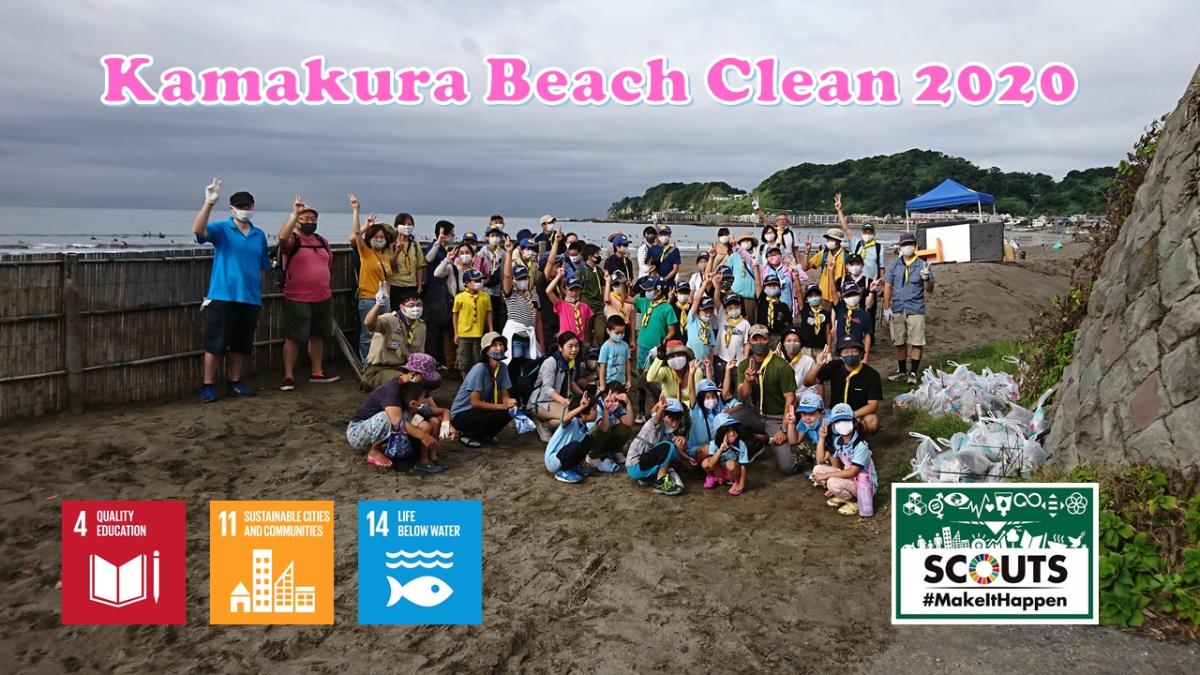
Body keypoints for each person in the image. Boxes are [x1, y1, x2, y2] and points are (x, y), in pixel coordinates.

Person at [191, 179, 271, 403]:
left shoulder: (259, 235)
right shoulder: (222, 229)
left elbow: (264, 263)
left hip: (250, 297)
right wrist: (208, 204)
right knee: (215, 343)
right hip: (223, 295)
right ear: (232, 208)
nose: (245, 209)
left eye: (248, 205)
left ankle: (235, 381)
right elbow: (198, 231)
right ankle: (208, 385)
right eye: (241, 205)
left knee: (241, 344)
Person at [276, 193, 338, 391]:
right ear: (297, 222)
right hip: (298, 297)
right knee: (294, 337)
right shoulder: (293, 241)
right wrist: (294, 213)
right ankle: (288, 376)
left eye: (313, 219)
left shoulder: (322, 241)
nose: (310, 222)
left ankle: (317, 372)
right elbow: (282, 238)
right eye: (305, 218)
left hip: (322, 296)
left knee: (318, 335)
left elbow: (328, 263)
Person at [730, 324, 799, 475]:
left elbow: (791, 400)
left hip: (777, 418)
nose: (759, 343)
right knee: (729, 420)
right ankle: (755, 444)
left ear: (769, 341)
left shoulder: (782, 366)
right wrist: (748, 380)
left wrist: (784, 429)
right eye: (755, 339)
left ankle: (794, 447)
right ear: (749, 342)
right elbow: (743, 396)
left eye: (763, 339)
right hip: (756, 415)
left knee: (788, 468)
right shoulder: (744, 365)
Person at [347, 379, 443, 473]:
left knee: (422, 423)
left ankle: (427, 458)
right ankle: (374, 452)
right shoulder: (392, 393)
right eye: (424, 397)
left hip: (376, 432)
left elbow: (438, 411)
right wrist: (423, 436)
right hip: (357, 433)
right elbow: (397, 421)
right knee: (387, 417)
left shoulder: (409, 400)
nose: (426, 400)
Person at [882, 230, 936, 384]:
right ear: (900, 246)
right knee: (899, 341)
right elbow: (888, 286)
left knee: (917, 341)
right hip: (898, 307)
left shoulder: (923, 264)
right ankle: (901, 370)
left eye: (910, 244)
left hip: (916, 308)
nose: (907, 247)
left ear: (915, 245)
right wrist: (887, 308)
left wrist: (926, 278)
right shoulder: (894, 265)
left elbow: (930, 289)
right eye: (904, 244)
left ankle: (913, 372)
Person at [449, 332, 517, 447]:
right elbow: (474, 402)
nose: (499, 348)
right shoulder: (479, 368)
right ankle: (468, 435)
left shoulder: (503, 367)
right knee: (498, 412)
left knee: (510, 411)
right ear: (486, 350)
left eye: (501, 344)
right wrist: (502, 406)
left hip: (478, 409)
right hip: (462, 414)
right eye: (494, 345)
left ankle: (486, 434)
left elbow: (505, 395)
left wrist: (510, 403)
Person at [349, 195, 395, 362]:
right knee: (367, 334)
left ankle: (380, 361)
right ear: (369, 239)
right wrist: (357, 211)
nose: (379, 239)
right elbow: (355, 234)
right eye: (376, 237)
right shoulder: (366, 253)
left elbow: (387, 279)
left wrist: (387, 296)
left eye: (382, 237)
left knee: (385, 332)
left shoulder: (384, 257)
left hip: (384, 301)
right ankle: (366, 365)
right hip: (368, 299)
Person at [805, 337, 882, 435]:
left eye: (854, 351)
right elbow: (807, 382)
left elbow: (872, 405)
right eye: (845, 352)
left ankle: (859, 440)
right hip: (834, 413)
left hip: (857, 414)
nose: (850, 354)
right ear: (840, 355)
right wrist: (818, 365)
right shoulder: (834, 366)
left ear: (861, 353)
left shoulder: (872, 374)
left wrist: (851, 415)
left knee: (872, 421)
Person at [812, 403, 877, 517]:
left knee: (832, 481)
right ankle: (844, 493)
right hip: (851, 479)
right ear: (833, 425)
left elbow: (853, 472)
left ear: (853, 421)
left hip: (865, 485)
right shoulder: (838, 441)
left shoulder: (861, 445)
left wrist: (825, 477)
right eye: (838, 421)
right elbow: (820, 458)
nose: (841, 424)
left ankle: (856, 502)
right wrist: (822, 438)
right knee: (817, 469)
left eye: (845, 420)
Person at [633, 275, 678, 420]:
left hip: (656, 351)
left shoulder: (667, 308)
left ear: (658, 291)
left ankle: (658, 409)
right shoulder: (645, 302)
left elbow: (672, 330)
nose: (647, 292)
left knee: (654, 380)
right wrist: (622, 284)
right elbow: (626, 298)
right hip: (643, 347)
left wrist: (663, 342)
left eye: (649, 289)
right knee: (641, 379)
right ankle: (640, 411)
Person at [361, 291, 427, 389]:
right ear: (402, 307)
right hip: (379, 370)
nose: (416, 308)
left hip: (404, 368)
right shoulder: (389, 320)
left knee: (433, 379)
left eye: (419, 305)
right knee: (407, 382)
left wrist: (419, 373)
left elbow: (419, 355)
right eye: (411, 305)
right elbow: (369, 324)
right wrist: (379, 304)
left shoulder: (421, 326)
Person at [625, 395, 688, 496]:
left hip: (642, 466)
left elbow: (678, 448)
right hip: (635, 466)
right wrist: (662, 408)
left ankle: (647, 478)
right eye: (671, 420)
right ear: (663, 416)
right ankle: (661, 482)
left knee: (671, 451)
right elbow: (657, 419)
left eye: (677, 421)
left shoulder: (667, 433)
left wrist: (687, 456)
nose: (674, 424)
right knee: (668, 446)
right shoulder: (653, 424)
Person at [530, 331, 583, 439]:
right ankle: (544, 425)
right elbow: (547, 389)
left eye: (576, 346)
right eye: (570, 346)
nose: (574, 350)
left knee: (578, 413)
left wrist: (584, 395)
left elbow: (571, 383)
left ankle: (548, 423)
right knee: (571, 416)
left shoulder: (571, 363)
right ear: (560, 347)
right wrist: (563, 401)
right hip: (541, 402)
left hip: (557, 401)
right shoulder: (551, 362)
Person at [543, 391, 602, 484]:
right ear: (583, 414)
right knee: (575, 445)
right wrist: (582, 407)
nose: (597, 412)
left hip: (564, 457)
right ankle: (563, 471)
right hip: (553, 461)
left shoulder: (584, 428)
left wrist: (582, 460)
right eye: (594, 409)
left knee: (589, 439)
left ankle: (574, 466)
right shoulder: (572, 422)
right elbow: (566, 419)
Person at [500, 240, 542, 364]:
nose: (522, 281)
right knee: (513, 365)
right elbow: (507, 276)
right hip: (516, 336)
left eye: (524, 278)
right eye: (519, 278)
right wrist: (509, 253)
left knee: (530, 366)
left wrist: (541, 342)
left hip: (530, 336)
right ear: (514, 281)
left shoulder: (534, 296)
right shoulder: (510, 294)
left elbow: (538, 320)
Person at [422, 219, 457, 368]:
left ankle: (443, 360)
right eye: (451, 234)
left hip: (445, 294)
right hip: (433, 293)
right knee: (433, 329)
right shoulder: (434, 248)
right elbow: (427, 258)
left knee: (444, 327)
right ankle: (431, 359)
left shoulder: (445, 250)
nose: (452, 237)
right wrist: (438, 241)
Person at [452, 268, 493, 379]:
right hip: (464, 334)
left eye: (480, 280)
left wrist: (490, 329)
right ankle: (466, 382)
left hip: (478, 334)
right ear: (467, 283)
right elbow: (455, 315)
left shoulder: (485, 296)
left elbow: (488, 312)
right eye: (475, 281)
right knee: (463, 361)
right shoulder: (459, 297)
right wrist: (456, 333)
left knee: (477, 361)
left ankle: (476, 381)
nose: (478, 283)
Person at [588, 381, 635, 468]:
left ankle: (614, 450)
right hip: (591, 439)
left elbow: (628, 423)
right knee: (605, 429)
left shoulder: (617, 405)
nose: (616, 402)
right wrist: (606, 409)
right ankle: (593, 455)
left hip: (605, 437)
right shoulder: (597, 405)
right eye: (615, 399)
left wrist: (628, 403)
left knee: (625, 429)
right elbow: (603, 429)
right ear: (605, 395)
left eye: (618, 400)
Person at [800, 227, 849, 307]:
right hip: (824, 294)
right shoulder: (824, 254)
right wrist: (806, 252)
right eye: (828, 239)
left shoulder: (846, 256)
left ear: (839, 241)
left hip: (839, 295)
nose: (829, 241)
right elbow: (805, 268)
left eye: (832, 239)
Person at [703, 414, 750, 495]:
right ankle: (714, 477)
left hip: (731, 473)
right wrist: (720, 450)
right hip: (719, 471)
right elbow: (710, 464)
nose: (732, 433)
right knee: (705, 463)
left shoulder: (740, 444)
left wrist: (741, 483)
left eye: (733, 430)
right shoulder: (714, 443)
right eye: (727, 431)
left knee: (730, 464)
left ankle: (736, 482)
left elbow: (743, 466)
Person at [830, 281, 873, 363]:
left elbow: (867, 336)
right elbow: (833, 291)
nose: (852, 297)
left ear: (859, 295)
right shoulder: (840, 309)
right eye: (848, 295)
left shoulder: (864, 314)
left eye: (854, 294)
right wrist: (831, 272)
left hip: (856, 349)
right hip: (841, 349)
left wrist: (866, 356)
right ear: (842, 297)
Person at [547, 270, 594, 344]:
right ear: (565, 290)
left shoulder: (585, 307)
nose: (574, 293)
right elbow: (548, 291)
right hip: (565, 341)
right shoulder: (561, 305)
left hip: (579, 341)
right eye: (571, 290)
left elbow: (586, 326)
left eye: (577, 290)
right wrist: (559, 276)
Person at [644, 340, 696, 407]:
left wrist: (682, 407)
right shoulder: (666, 371)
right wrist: (659, 358)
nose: (676, 359)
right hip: (669, 411)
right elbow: (650, 378)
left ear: (686, 356)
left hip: (691, 411)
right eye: (672, 356)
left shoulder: (695, 371)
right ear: (667, 360)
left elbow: (697, 397)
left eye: (679, 355)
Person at [476, 224, 508, 331]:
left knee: (497, 319)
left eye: (497, 235)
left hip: (499, 292)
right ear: (487, 237)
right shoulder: (481, 253)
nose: (495, 238)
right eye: (492, 235)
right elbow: (477, 271)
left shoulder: (504, 254)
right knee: (485, 318)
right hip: (485, 290)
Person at [388, 213, 425, 304]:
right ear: (396, 226)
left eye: (409, 224)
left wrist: (419, 287)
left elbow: (419, 267)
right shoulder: (391, 245)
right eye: (403, 224)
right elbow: (388, 266)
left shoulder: (416, 245)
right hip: (395, 285)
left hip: (412, 286)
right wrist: (397, 252)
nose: (407, 227)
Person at [687, 378, 726, 463]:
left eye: (713, 396)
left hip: (715, 449)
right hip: (698, 450)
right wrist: (691, 374)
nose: (711, 400)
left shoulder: (718, 407)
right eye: (707, 397)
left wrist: (708, 367)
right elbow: (691, 391)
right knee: (709, 449)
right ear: (701, 398)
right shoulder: (696, 409)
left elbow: (719, 387)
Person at [785, 390, 826, 466]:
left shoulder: (829, 423)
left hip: (829, 452)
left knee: (824, 462)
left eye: (812, 414)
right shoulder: (804, 421)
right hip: (817, 447)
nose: (807, 418)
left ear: (822, 413)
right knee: (796, 447)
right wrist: (791, 424)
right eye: (804, 413)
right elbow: (793, 441)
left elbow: (834, 451)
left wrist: (820, 462)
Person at [578, 244, 606, 345]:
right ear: (590, 257)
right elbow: (576, 290)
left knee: (601, 334)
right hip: (586, 308)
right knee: (586, 337)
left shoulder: (598, 270)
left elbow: (603, 286)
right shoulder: (581, 271)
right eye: (597, 254)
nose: (599, 256)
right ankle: (586, 358)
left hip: (599, 307)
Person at [779, 327, 818, 397]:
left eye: (796, 341)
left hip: (802, 402)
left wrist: (796, 397)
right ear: (783, 343)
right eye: (788, 340)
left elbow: (813, 388)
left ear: (801, 343)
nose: (792, 343)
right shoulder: (778, 360)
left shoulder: (808, 361)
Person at [729, 232, 760, 322]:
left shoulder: (756, 257)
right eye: (743, 241)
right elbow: (728, 271)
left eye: (748, 240)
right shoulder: (733, 256)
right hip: (736, 292)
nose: (746, 242)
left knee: (751, 319)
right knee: (735, 319)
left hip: (751, 294)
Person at [598, 314, 633, 390]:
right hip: (609, 383)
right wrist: (602, 385)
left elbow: (627, 363)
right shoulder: (605, 347)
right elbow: (602, 367)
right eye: (617, 333)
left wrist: (629, 380)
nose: (620, 335)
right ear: (608, 331)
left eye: (622, 332)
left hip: (622, 383)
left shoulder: (625, 345)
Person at [796, 283, 828, 357]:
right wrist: (796, 277)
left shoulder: (825, 312)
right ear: (807, 298)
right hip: (806, 348)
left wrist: (828, 349)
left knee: (821, 367)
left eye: (816, 295)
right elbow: (798, 291)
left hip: (820, 348)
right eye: (810, 296)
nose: (814, 297)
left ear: (820, 296)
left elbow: (828, 332)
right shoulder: (804, 308)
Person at [756, 272, 792, 337]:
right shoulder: (760, 302)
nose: (772, 287)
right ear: (764, 288)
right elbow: (758, 283)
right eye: (769, 286)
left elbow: (788, 323)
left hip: (778, 336)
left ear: (779, 289)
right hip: (763, 336)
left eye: (775, 286)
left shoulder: (783, 306)